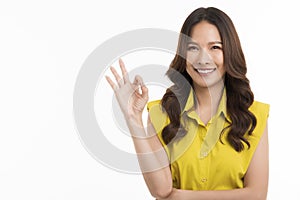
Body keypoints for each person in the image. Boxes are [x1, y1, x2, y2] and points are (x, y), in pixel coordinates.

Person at [106, 7, 269, 200]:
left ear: (229, 53)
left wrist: (183, 197)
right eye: (193, 48)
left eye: (215, 47)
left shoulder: (254, 115)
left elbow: (257, 195)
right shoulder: (160, 112)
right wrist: (133, 118)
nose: (203, 59)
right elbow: (161, 190)